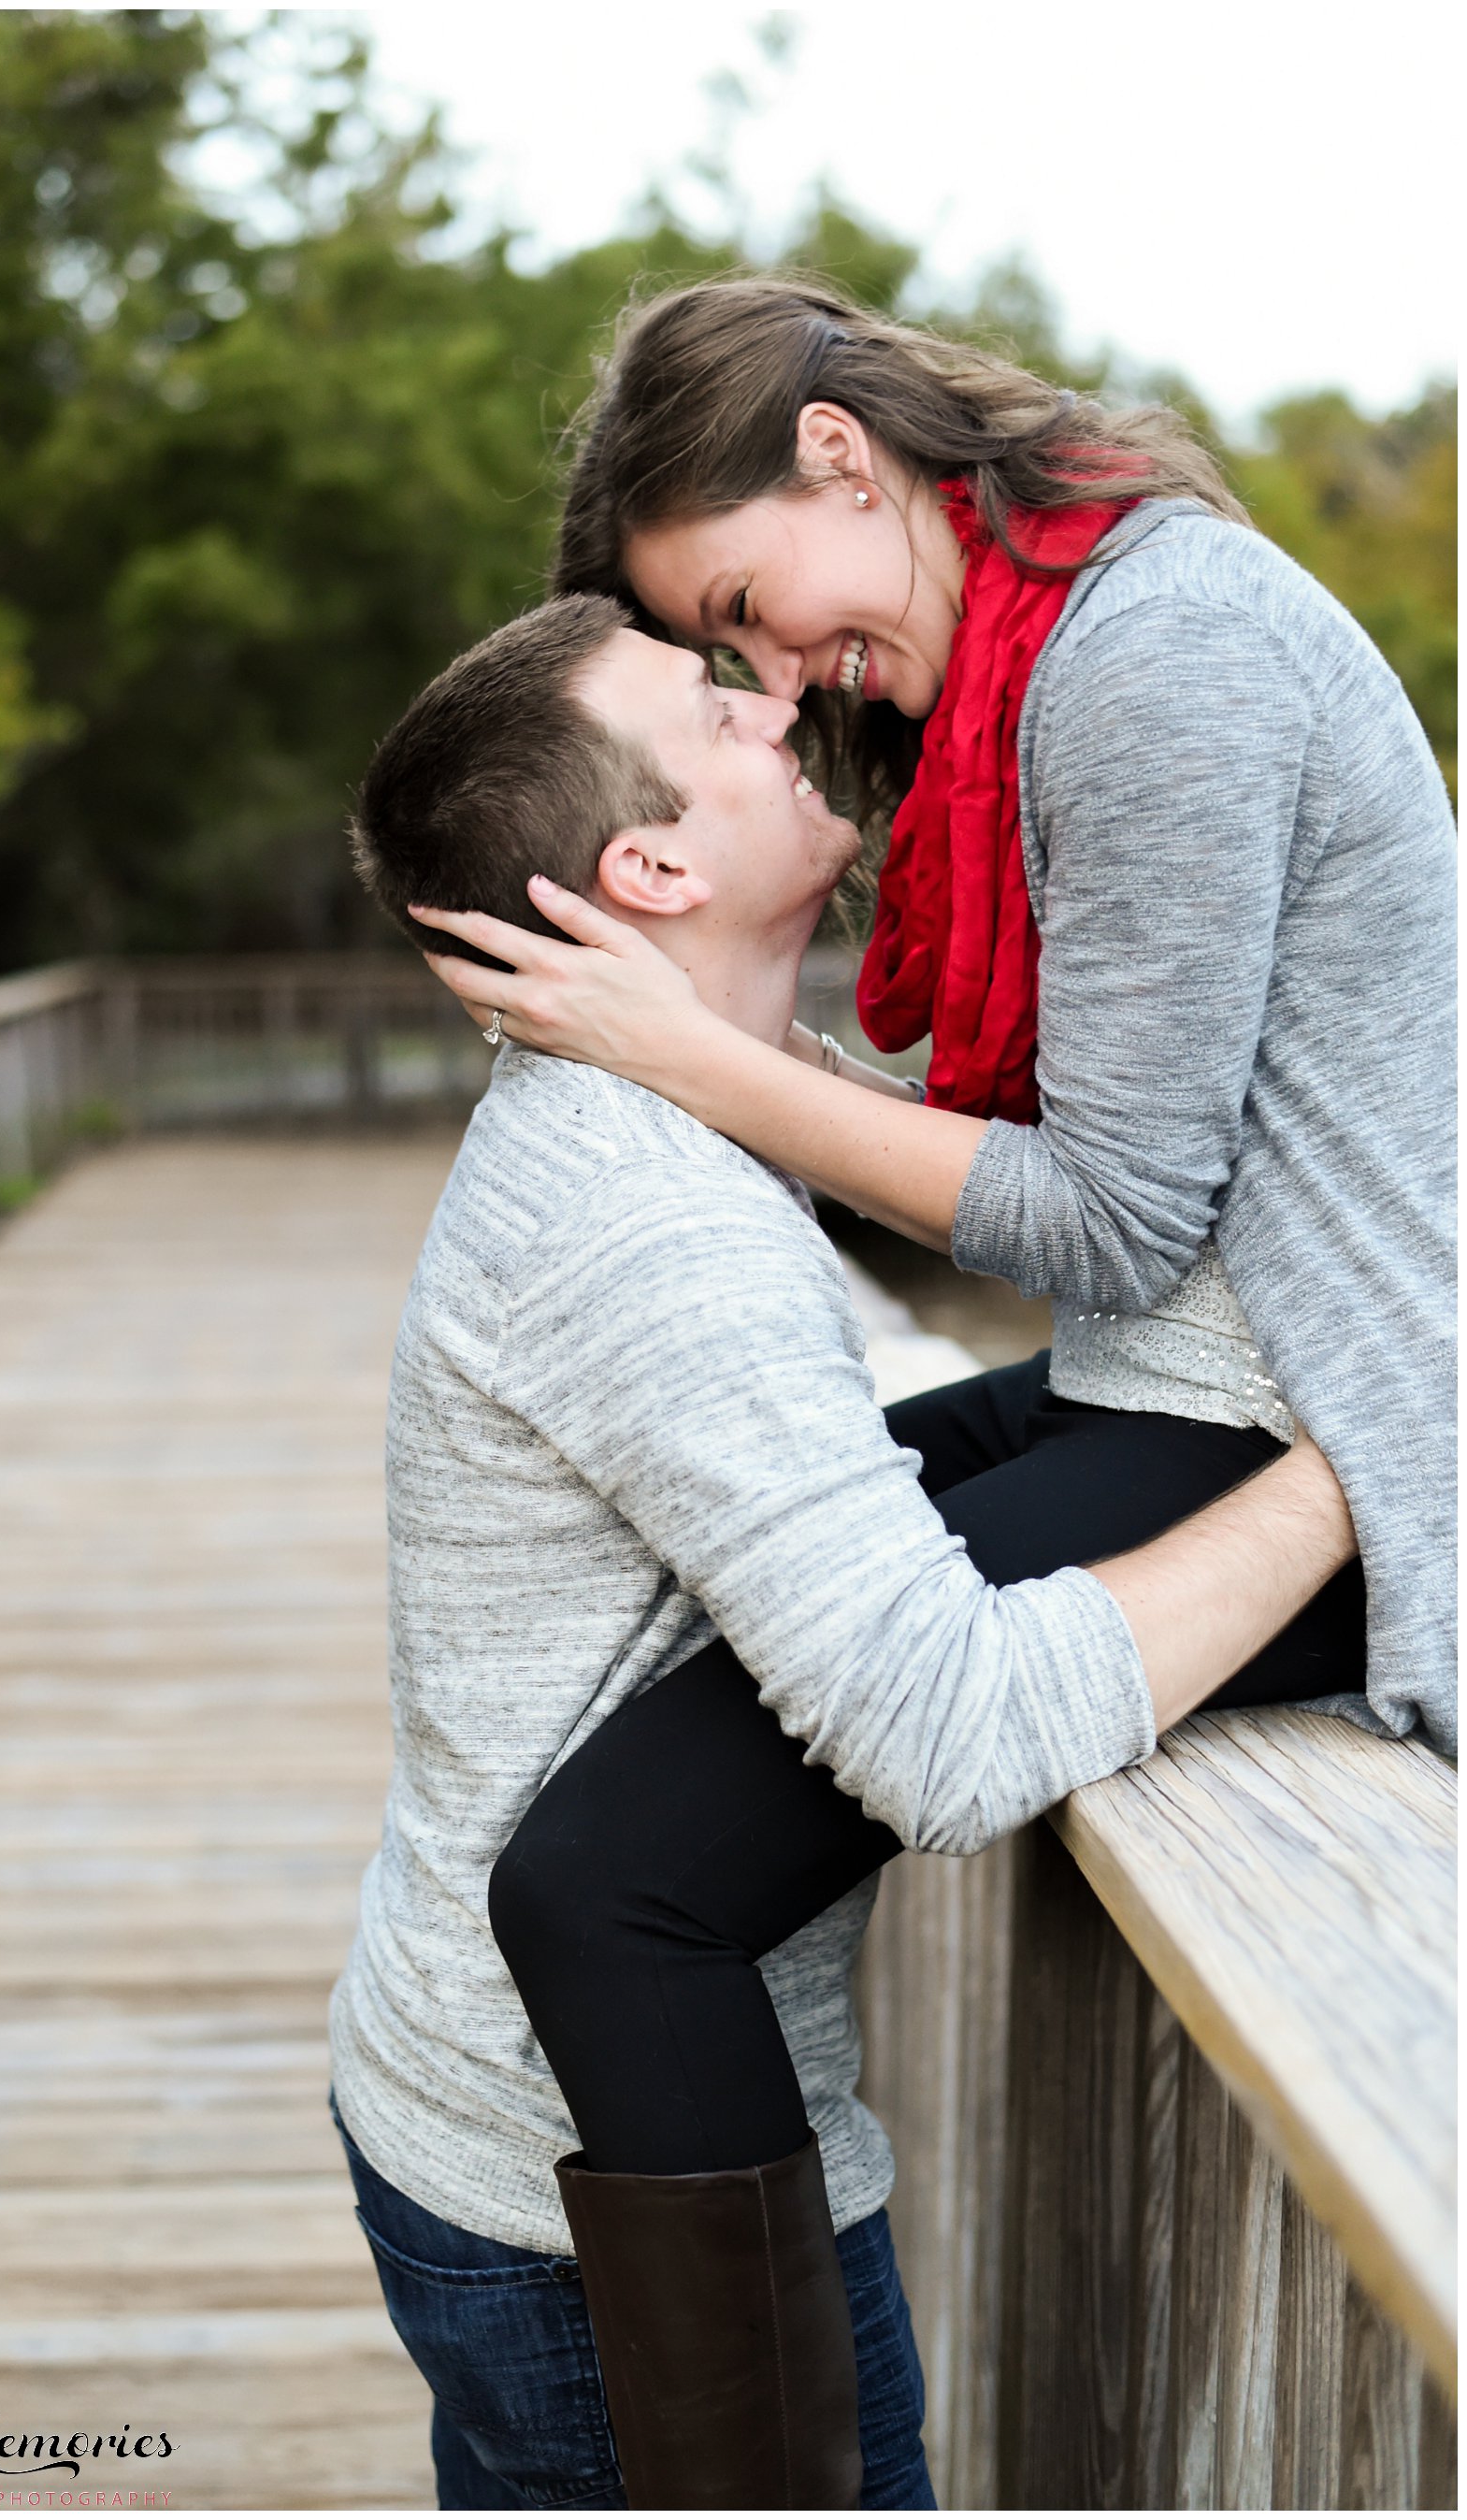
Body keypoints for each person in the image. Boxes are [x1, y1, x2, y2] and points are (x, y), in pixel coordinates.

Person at [329, 592, 1358, 2511]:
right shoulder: (649, 1222)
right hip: (605, 2186)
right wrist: (1348, 1481)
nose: (777, 700)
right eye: (717, 707)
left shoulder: (683, 1128)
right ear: (648, 861)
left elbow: (893, 1428)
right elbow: (948, 1737)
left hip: (502, 2096)